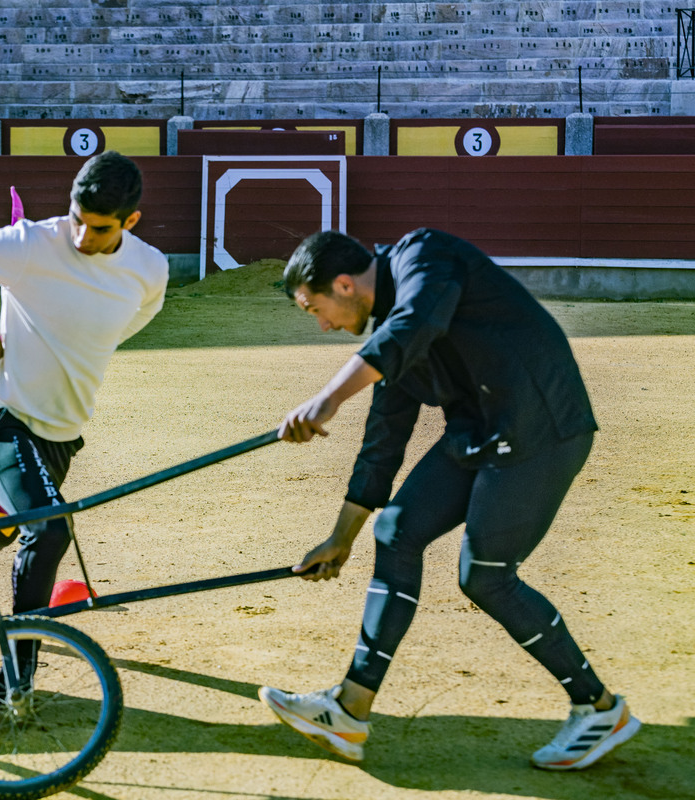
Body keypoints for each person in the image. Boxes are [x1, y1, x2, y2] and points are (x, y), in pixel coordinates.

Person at [258, 229, 639, 770]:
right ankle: (350, 709)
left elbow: (419, 321)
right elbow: (383, 440)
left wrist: (326, 398)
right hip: (480, 430)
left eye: (315, 308)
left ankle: (600, 709)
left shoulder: (425, 255)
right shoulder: (393, 331)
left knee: (485, 574)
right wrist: (340, 539)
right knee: (395, 531)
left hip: (541, 427)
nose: (322, 324)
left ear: (344, 284)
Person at [0, 151, 169, 692]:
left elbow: (139, 315)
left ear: (130, 222)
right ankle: (17, 679)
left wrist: (82, 345)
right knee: (47, 533)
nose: (80, 237)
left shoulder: (149, 268)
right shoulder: (31, 243)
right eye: (76, 218)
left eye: (98, 229)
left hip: (61, 437)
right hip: (0, 421)